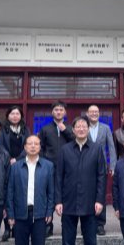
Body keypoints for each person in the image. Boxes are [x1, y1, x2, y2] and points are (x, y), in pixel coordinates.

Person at [55, 116, 106, 245]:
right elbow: (58, 176)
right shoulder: (65, 150)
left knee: (90, 243)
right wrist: (58, 201)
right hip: (68, 201)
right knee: (67, 242)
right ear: (73, 129)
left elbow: (101, 176)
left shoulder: (96, 149)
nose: (81, 129)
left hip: (90, 202)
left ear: (88, 129)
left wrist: (99, 200)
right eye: (78, 126)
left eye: (84, 126)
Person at [6, 134, 54, 245]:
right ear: (25, 147)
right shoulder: (15, 167)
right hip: (20, 214)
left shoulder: (48, 166)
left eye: (36, 144)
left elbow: (51, 192)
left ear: (40, 147)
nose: (33, 146)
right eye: (30, 144)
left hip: (40, 215)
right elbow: (10, 192)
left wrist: (49, 211)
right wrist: (10, 214)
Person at [38, 100, 74, 237]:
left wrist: (65, 130)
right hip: (49, 167)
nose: (59, 112)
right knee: (49, 195)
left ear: (65, 112)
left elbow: (76, 142)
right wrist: (43, 162)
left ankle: (67, 225)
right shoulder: (45, 129)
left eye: (61, 110)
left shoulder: (70, 128)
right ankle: (48, 224)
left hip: (67, 168)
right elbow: (40, 147)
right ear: (52, 112)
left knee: (67, 196)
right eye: (56, 110)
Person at [0, 105, 32, 242]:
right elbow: (0, 146)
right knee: (7, 194)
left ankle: (17, 227)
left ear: (21, 116)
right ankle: (7, 227)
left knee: (19, 193)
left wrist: (17, 159)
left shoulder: (26, 130)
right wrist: (9, 159)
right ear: (8, 115)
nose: (15, 116)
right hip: (6, 165)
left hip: (22, 164)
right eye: (12, 113)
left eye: (17, 114)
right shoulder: (2, 130)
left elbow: (28, 146)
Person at [86, 104, 117, 236]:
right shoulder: (83, 127)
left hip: (101, 166)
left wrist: (112, 166)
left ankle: (100, 224)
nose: (94, 114)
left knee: (101, 195)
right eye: (92, 112)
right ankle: (88, 223)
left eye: (96, 112)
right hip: (85, 166)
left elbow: (111, 147)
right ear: (87, 114)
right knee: (87, 195)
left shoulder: (105, 128)